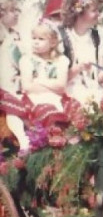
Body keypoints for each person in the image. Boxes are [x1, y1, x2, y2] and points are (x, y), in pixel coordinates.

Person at [3, 21, 70, 149]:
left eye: (41, 39)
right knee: (12, 109)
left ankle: (54, 141)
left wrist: (39, 81)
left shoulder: (61, 60)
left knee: (56, 111)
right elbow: (27, 87)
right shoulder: (27, 60)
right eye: (34, 38)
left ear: (53, 42)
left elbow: (61, 86)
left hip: (57, 99)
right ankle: (24, 140)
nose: (36, 42)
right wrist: (51, 84)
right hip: (33, 99)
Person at [60, 0, 103, 105]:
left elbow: (94, 77)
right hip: (69, 95)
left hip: (92, 92)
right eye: (94, 10)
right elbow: (58, 79)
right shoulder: (62, 36)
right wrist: (79, 67)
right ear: (79, 10)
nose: (98, 14)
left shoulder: (95, 36)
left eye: (98, 10)